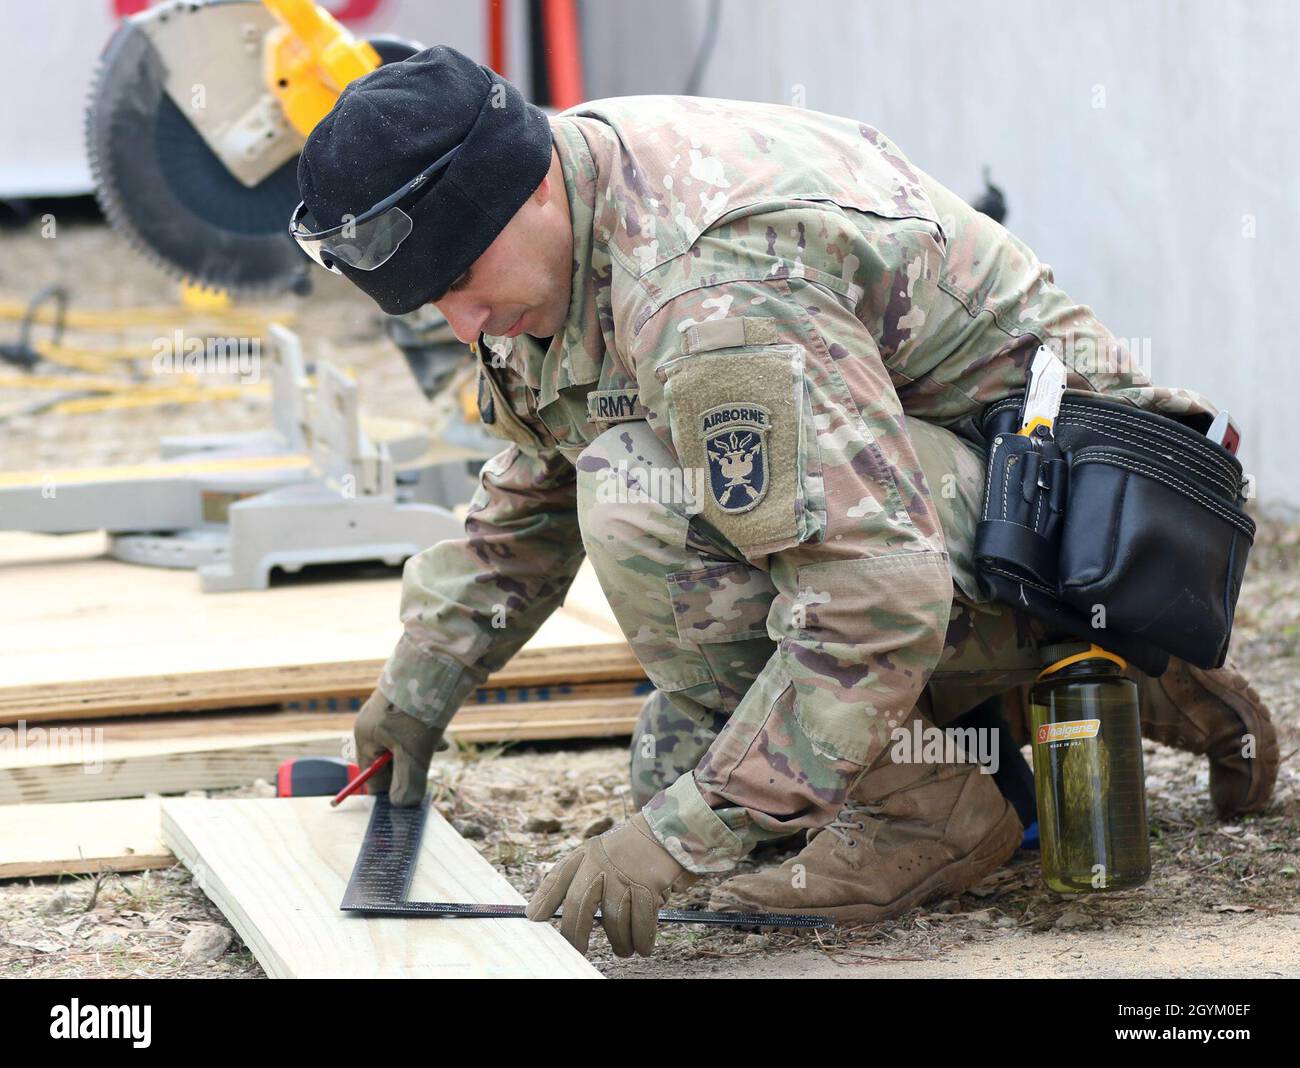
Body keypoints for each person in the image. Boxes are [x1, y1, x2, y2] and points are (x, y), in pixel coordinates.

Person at [292, 47, 1277, 959]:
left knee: (638, 498)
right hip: (994, 501)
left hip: (1103, 524)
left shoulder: (703, 289)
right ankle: (1051, 693)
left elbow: (873, 591)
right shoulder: (565, 196)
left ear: (535, 186)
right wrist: (413, 698)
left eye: (462, 281)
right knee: (674, 754)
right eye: (434, 306)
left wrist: (680, 836)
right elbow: (529, 493)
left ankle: (938, 803)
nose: (464, 323)